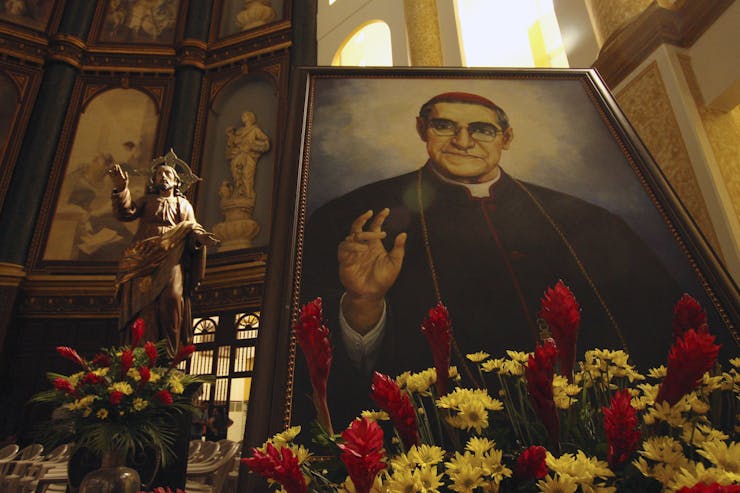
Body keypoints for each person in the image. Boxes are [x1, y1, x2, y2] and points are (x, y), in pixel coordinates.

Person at [294, 91, 686, 430]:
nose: (463, 141)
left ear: (507, 137)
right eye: (445, 125)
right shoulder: (352, 218)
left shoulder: (587, 220)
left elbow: (654, 322)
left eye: (482, 129)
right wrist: (364, 303)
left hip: (588, 434)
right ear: (422, 130)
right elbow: (322, 372)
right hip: (444, 444)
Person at [110, 149, 219, 357]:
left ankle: (169, 354)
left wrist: (201, 239)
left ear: (177, 181)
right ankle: (143, 355)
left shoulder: (182, 204)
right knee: (145, 306)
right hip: (143, 257)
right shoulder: (148, 201)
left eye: (168, 174)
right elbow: (125, 212)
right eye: (159, 174)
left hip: (172, 257)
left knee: (172, 298)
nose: (163, 177)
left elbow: (192, 227)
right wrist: (121, 188)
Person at [225, 111, 270, 203]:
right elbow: (233, 143)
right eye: (243, 115)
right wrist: (230, 136)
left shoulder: (255, 130)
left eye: (245, 115)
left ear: (250, 118)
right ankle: (239, 192)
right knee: (236, 173)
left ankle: (248, 195)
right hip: (238, 155)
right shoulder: (239, 131)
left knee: (247, 175)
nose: (243, 117)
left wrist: (253, 145)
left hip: (249, 156)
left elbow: (266, 142)